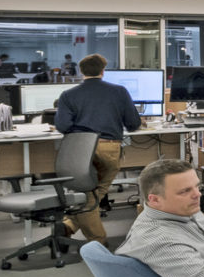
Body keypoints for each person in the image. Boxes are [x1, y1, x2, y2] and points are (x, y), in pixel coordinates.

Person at [51, 53, 140, 247]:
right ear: (103, 71)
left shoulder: (68, 95)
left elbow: (63, 126)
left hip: (80, 149)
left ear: (81, 72)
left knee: (88, 194)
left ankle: (68, 225)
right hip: (109, 147)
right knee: (91, 195)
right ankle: (98, 241)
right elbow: (133, 124)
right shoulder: (119, 91)